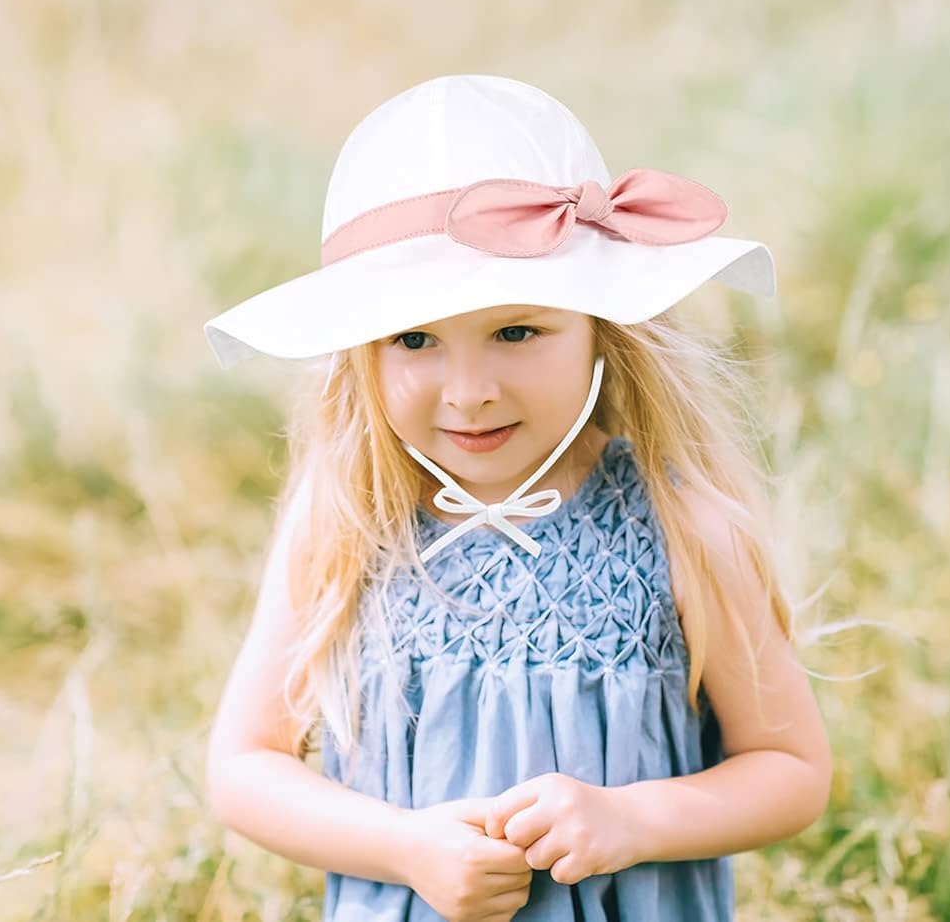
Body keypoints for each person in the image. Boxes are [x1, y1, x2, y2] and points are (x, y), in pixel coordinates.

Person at [203, 74, 833, 922]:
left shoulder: (681, 524)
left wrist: (631, 820)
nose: (469, 392)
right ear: (361, 353)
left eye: (515, 331)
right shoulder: (348, 518)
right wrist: (405, 846)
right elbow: (245, 767)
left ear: (601, 330)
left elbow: (791, 770)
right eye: (414, 339)